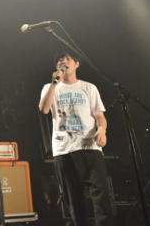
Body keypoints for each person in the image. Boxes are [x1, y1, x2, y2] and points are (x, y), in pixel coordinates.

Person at [39, 48, 114, 226]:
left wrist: (101, 130)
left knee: (101, 195)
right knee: (73, 199)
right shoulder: (50, 88)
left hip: (89, 147)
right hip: (64, 149)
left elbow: (100, 116)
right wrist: (54, 84)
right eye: (60, 60)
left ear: (77, 64)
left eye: (67, 59)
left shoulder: (89, 88)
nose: (63, 62)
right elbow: (44, 109)